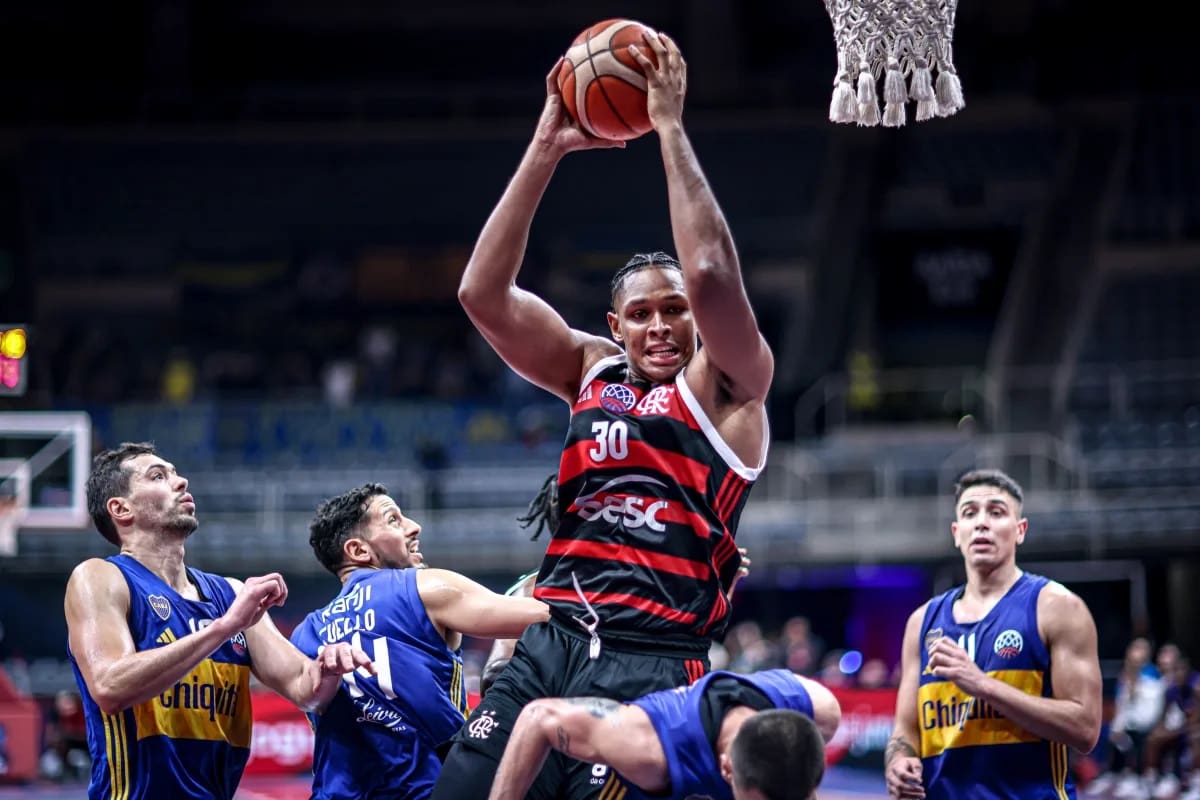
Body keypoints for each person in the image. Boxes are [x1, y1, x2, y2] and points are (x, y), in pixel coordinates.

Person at [437, 26, 773, 800]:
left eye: (675, 310)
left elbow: (716, 272)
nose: (661, 326)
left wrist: (669, 129)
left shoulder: (731, 390)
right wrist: (545, 147)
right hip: (550, 638)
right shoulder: (590, 366)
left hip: (655, 658)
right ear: (614, 325)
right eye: (642, 314)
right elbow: (481, 296)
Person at [65, 442, 373, 800]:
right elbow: (109, 687)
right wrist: (225, 627)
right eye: (158, 476)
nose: (180, 482)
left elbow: (308, 690)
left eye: (176, 473)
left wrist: (330, 665)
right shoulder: (101, 577)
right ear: (121, 509)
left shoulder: (229, 593)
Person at [289, 482, 551, 800]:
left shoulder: (304, 634)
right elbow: (550, 617)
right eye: (393, 520)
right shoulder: (425, 587)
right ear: (358, 551)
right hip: (433, 789)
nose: (415, 527)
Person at [885, 468, 1103, 799]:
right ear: (957, 533)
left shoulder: (1058, 608)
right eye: (970, 513)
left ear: (1020, 530)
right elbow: (906, 729)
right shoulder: (922, 622)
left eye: (996, 512)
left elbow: (1086, 729)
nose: (982, 522)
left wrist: (982, 685)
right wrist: (899, 761)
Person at [488, 669, 840, 800]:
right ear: (726, 769)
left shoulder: (819, 711)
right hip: (638, 777)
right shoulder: (646, 750)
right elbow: (539, 717)